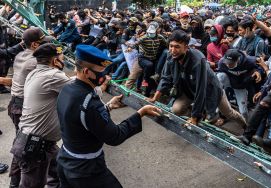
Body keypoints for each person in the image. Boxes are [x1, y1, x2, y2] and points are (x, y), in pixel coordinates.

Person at [56, 45, 162, 187]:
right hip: (86, 170)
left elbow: (82, 120)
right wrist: (140, 113)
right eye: (101, 71)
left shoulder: (67, 88)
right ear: (87, 72)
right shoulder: (90, 102)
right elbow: (115, 136)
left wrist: (108, 106)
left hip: (65, 160)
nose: (105, 76)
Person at [147, 30, 246, 127]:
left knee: (227, 113)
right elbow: (165, 78)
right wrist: (155, 98)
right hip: (188, 89)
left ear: (186, 47)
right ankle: (197, 113)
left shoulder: (198, 61)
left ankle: (246, 127)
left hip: (210, 89)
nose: (173, 50)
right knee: (176, 109)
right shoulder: (171, 55)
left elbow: (201, 89)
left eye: (177, 47)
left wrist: (195, 117)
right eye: (171, 46)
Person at [10, 43, 69, 188]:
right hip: (35, 147)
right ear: (55, 61)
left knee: (60, 170)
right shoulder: (53, 75)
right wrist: (100, 86)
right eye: (62, 58)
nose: (64, 60)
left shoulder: (34, 73)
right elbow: (77, 90)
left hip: (37, 143)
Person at [5, 27, 53, 188]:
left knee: (27, 144)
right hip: (22, 107)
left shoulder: (20, 54)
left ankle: (54, 172)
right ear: (34, 45)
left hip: (15, 104)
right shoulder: (35, 62)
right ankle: (15, 184)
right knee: (24, 148)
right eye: (42, 42)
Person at [217, 49, 264, 120]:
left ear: (238, 60)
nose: (228, 65)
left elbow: (262, 66)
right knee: (220, 76)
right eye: (227, 62)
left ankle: (245, 125)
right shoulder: (221, 62)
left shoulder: (249, 61)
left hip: (240, 86)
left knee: (243, 111)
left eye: (231, 63)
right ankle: (217, 95)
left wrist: (259, 72)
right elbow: (219, 73)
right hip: (228, 82)